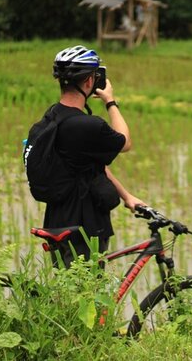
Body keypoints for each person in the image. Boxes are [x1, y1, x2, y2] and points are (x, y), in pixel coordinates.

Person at [43, 45, 143, 267]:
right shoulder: (87, 125)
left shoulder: (51, 117)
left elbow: (92, 167)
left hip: (57, 220)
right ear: (89, 82)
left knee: (67, 291)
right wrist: (110, 101)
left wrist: (127, 197)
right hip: (85, 227)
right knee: (86, 296)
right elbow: (124, 142)